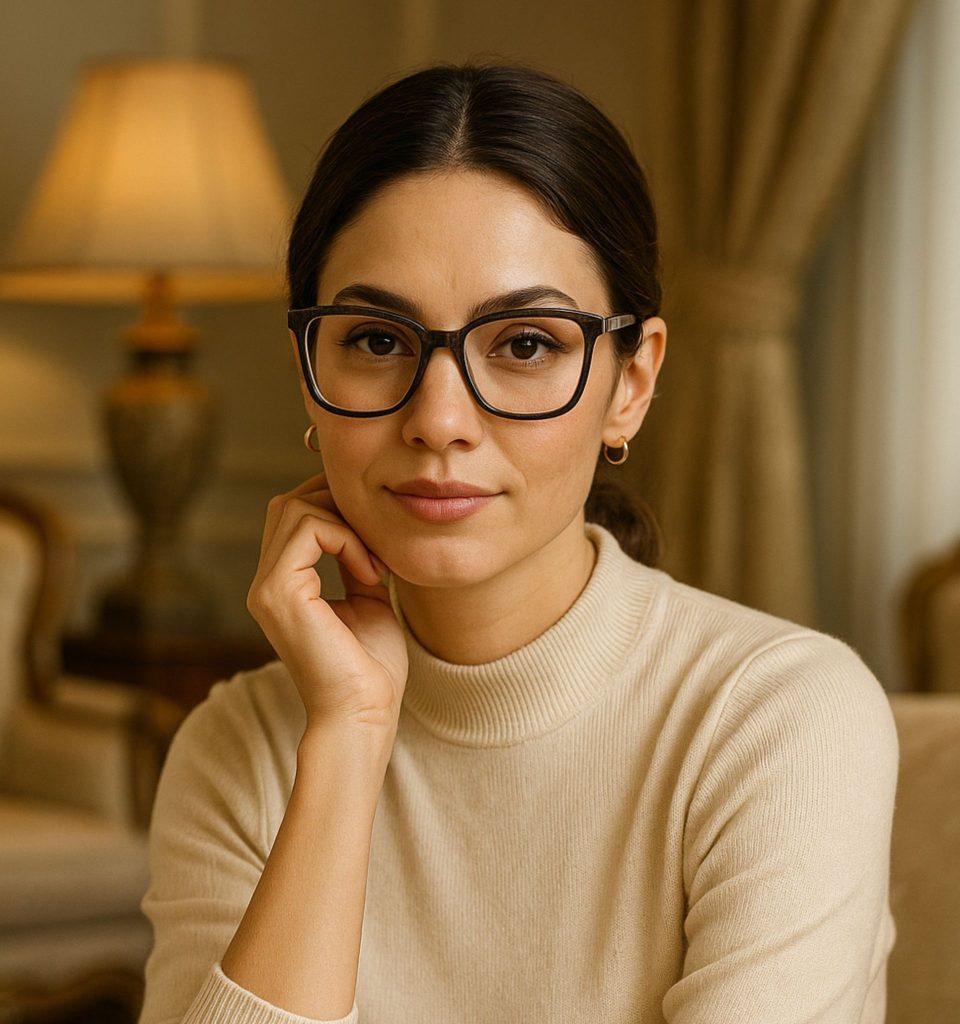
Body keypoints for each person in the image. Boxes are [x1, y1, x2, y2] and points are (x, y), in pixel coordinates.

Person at [139, 64, 898, 1024]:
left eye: (526, 344)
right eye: (376, 341)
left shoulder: (780, 717)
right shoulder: (238, 747)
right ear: (307, 370)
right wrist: (347, 741)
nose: (440, 419)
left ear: (632, 381)